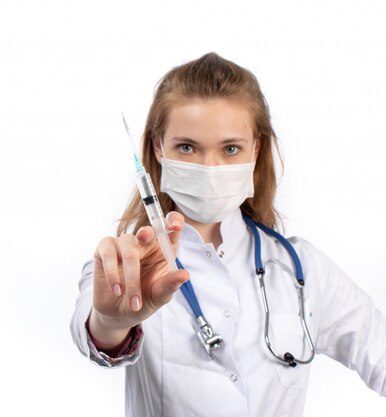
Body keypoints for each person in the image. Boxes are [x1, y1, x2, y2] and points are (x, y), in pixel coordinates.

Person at [70, 52, 386, 417]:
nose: (210, 167)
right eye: (187, 147)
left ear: (256, 148)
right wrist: (113, 321)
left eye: (230, 148)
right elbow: (94, 332)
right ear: (158, 147)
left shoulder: (301, 269)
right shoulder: (126, 263)